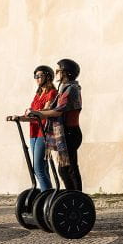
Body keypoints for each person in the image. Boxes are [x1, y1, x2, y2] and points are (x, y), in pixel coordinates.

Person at [29, 58, 83, 191]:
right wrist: (31, 115)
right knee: (64, 170)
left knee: (70, 169)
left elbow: (58, 110)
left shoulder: (72, 89)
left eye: (59, 70)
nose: (56, 73)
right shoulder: (64, 89)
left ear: (67, 73)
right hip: (65, 133)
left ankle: (77, 196)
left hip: (71, 132)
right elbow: (51, 108)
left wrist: (39, 114)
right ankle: (71, 196)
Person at [5, 65, 58, 191]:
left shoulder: (52, 93)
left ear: (48, 77)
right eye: (36, 76)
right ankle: (47, 194)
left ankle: (47, 196)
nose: (37, 79)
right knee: (41, 168)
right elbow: (32, 115)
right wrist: (19, 117)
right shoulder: (37, 95)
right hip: (33, 132)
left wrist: (32, 112)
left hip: (43, 132)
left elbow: (44, 111)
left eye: (40, 76)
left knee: (38, 168)